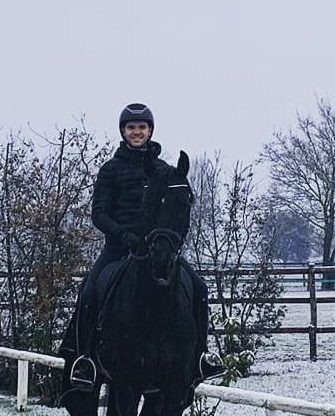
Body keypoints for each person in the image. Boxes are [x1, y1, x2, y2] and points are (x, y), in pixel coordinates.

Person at [66, 102, 224, 390]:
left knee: (199, 288)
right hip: (118, 248)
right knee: (88, 290)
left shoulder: (163, 170)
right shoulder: (110, 169)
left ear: (150, 131)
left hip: (156, 249)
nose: (137, 132)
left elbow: (174, 211)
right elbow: (99, 213)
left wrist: (168, 239)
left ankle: (200, 357)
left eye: (142, 127)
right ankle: (84, 360)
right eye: (131, 128)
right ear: (123, 132)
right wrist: (123, 234)